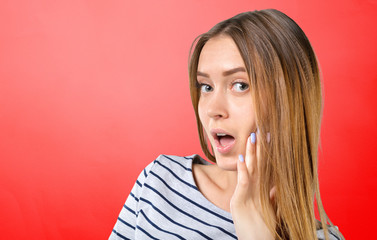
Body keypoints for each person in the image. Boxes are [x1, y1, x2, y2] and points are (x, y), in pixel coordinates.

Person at [109, 9, 344, 240]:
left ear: (290, 99)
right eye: (206, 87)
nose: (213, 109)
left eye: (240, 85)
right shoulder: (159, 181)